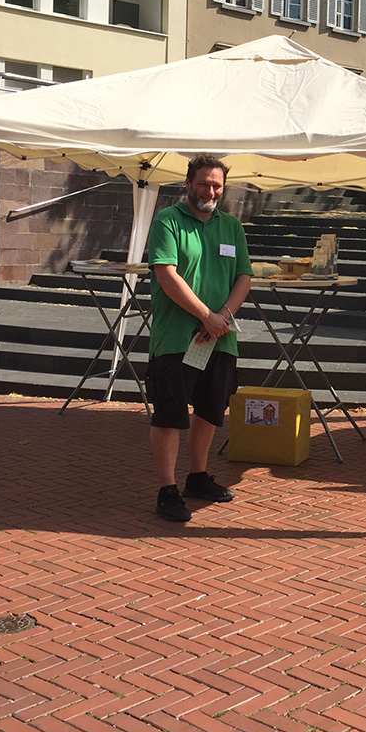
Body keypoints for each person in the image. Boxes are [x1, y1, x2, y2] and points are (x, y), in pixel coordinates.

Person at [146, 154, 252, 521]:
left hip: (220, 338)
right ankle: (167, 490)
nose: (210, 190)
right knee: (169, 414)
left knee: (209, 411)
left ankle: (197, 477)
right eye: (204, 183)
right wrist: (205, 315)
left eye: (217, 185)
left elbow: (243, 278)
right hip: (177, 338)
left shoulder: (232, 227)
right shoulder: (167, 221)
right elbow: (166, 274)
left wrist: (221, 318)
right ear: (187, 183)